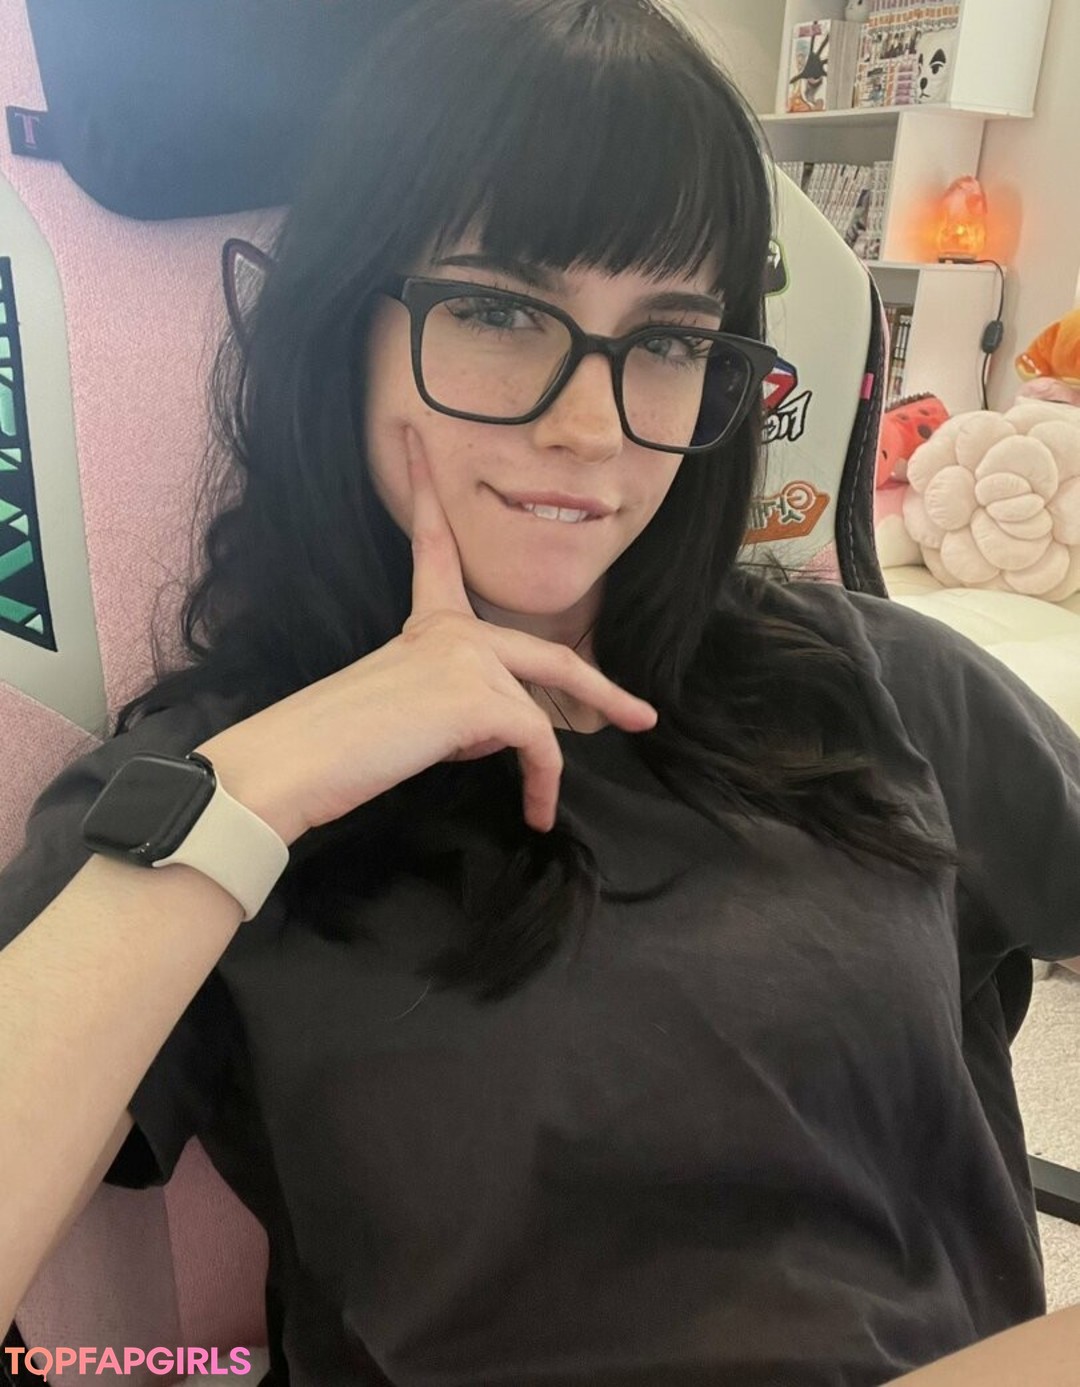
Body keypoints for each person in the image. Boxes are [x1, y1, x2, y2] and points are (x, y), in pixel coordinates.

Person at [1, 1, 1078, 1383]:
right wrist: (267, 779)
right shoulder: (205, 789)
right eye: (501, 311)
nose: (588, 426)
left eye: (669, 338)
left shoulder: (879, 681)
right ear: (344, 327)